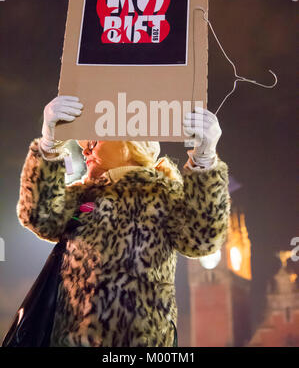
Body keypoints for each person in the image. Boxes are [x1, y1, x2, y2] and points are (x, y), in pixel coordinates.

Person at [17, 95, 231, 347]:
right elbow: (38, 217)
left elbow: (203, 239)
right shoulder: (82, 198)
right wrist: (48, 146)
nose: (85, 151)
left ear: (130, 142)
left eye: (93, 141)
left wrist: (204, 161)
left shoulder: (164, 195)